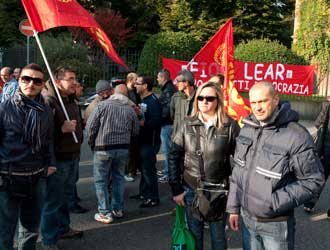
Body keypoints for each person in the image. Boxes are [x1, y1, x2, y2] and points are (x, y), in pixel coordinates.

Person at [226, 81, 325, 250]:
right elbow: (238, 171)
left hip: (276, 226)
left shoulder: (296, 135)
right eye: (254, 102)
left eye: (263, 101)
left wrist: (273, 202)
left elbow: (313, 180)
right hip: (247, 220)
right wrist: (233, 208)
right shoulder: (247, 128)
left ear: (275, 99)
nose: (257, 107)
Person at [168, 81, 240, 250]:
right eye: (200, 98)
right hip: (192, 189)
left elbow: (240, 161)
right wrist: (176, 189)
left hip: (218, 191)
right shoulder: (186, 124)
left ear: (218, 101)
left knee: (218, 238)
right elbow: (173, 157)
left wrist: (236, 193)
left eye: (209, 98)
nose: (204, 101)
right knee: (194, 236)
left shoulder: (230, 126)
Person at [0, 63, 55, 250]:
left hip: (37, 177)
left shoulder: (46, 110)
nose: (31, 84)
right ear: (19, 80)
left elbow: (48, 139)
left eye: (37, 80)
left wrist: (51, 163)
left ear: (42, 84)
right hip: (8, 177)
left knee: (30, 228)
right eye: (26, 79)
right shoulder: (4, 109)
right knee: (5, 230)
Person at [41, 66, 84, 250]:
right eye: (71, 79)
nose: (75, 82)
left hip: (73, 155)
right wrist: (61, 129)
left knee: (65, 197)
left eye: (75, 78)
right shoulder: (49, 101)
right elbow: (42, 134)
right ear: (58, 82)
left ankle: (63, 228)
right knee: (53, 200)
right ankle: (49, 239)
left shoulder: (71, 99)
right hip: (58, 159)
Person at [86, 84, 139, 223]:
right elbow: (135, 131)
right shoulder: (130, 110)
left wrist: (92, 143)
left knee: (101, 180)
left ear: (113, 93)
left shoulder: (102, 106)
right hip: (122, 148)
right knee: (119, 178)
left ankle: (104, 212)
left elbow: (91, 127)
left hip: (103, 147)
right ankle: (118, 209)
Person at [130, 75, 162, 207]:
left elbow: (156, 122)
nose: (135, 85)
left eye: (138, 83)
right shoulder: (143, 99)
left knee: (149, 170)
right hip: (142, 141)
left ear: (145, 86)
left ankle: (153, 197)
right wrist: (138, 113)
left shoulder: (153, 101)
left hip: (150, 142)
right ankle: (143, 193)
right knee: (143, 169)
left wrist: (143, 123)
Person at [303, 100, 330, 217]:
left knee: (321, 175)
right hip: (327, 145)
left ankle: (310, 202)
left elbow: (318, 124)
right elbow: (319, 124)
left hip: (327, 145)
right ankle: (310, 202)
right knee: (321, 175)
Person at [157, 68, 177, 183]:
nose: (157, 79)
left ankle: (169, 173)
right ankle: (167, 170)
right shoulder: (168, 89)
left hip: (167, 125)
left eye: (158, 77)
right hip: (167, 124)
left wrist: (159, 117)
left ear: (163, 78)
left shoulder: (168, 90)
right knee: (167, 150)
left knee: (167, 150)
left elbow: (168, 109)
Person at [170, 69, 196, 137]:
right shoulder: (175, 97)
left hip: (194, 138)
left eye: (178, 81)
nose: (176, 84)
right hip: (178, 137)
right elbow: (172, 116)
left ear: (186, 83)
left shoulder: (201, 97)